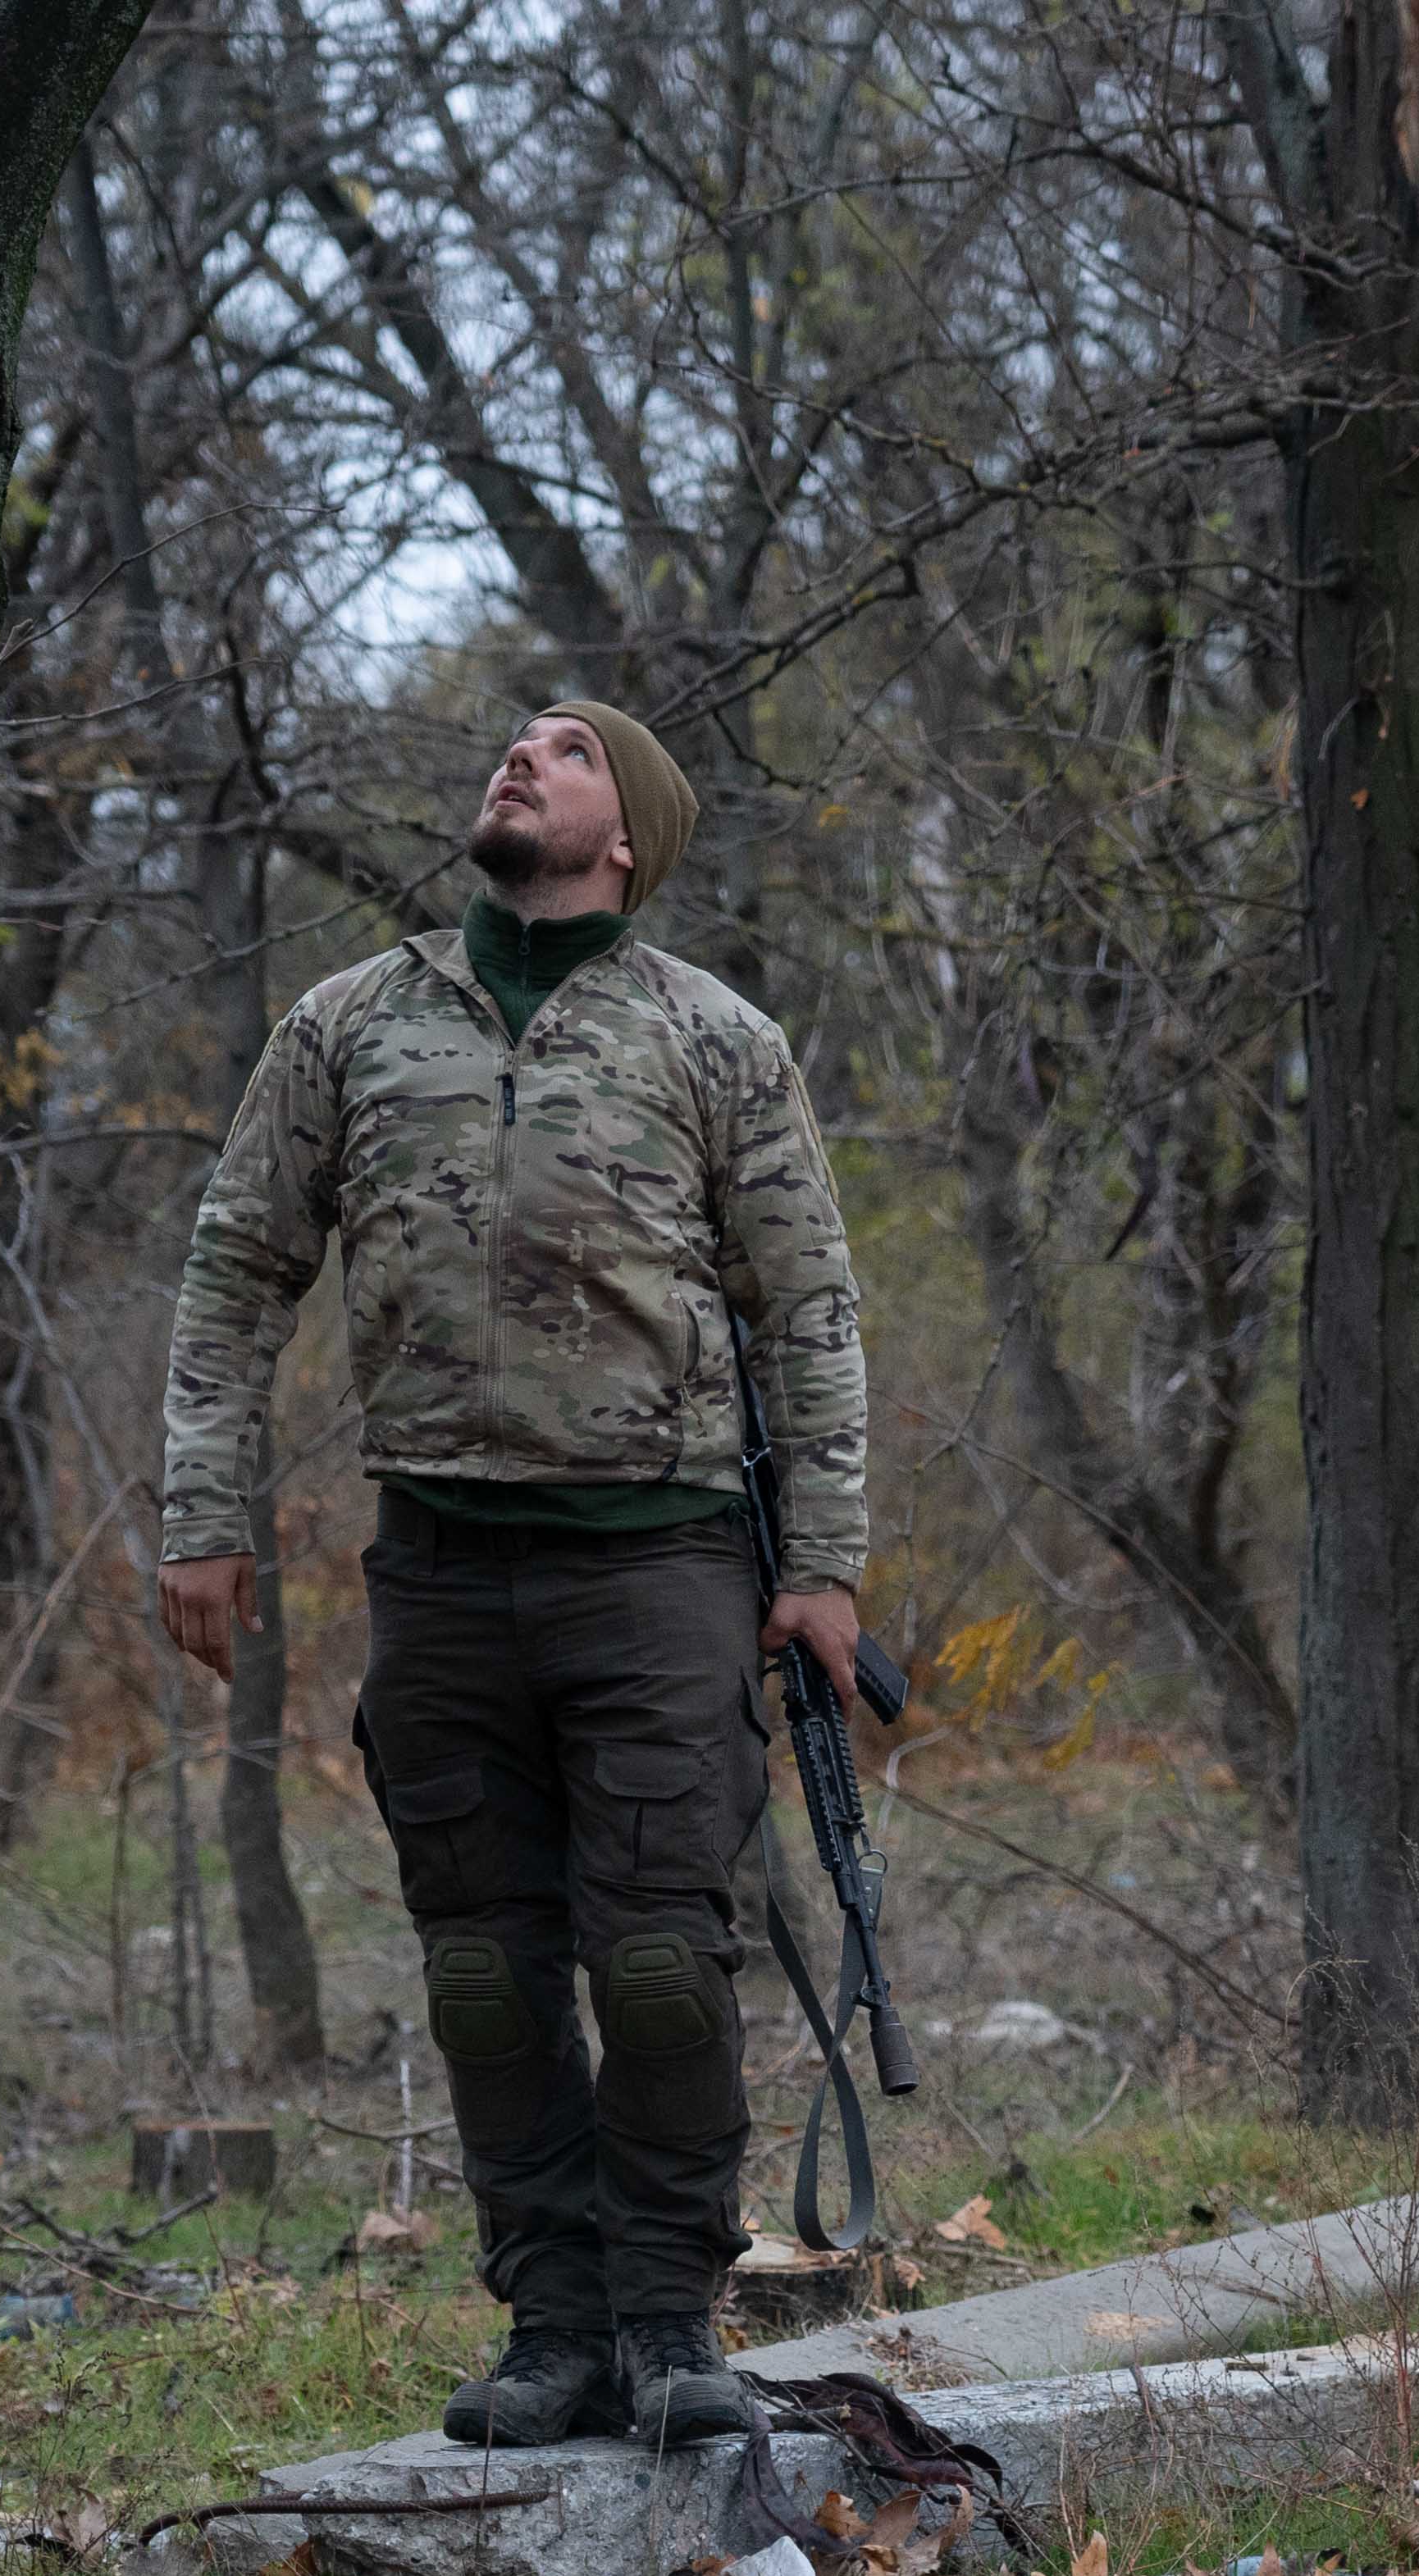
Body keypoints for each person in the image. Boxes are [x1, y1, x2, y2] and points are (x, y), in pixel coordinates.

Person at [152, 701, 869, 2451]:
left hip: (661, 1563)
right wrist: (202, 1509)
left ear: (632, 830)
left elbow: (815, 1305)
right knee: (483, 1965)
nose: (520, 761)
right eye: (514, 744)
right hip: (445, 1572)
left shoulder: (715, 1038)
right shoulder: (353, 1022)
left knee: (658, 1963)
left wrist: (828, 1563)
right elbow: (240, 1267)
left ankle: (666, 2314)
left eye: (569, 749)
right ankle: (552, 2320)